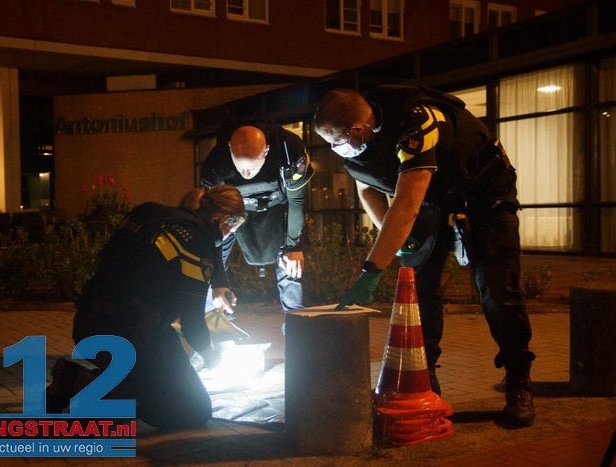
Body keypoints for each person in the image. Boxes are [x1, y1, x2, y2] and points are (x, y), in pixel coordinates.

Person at [313, 87, 535, 427]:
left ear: (357, 128)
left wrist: (372, 270)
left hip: (483, 193)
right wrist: (398, 239)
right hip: (434, 198)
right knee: (419, 291)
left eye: (336, 141)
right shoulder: (361, 145)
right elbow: (368, 188)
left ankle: (519, 379)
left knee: (497, 290)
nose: (335, 149)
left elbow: (406, 204)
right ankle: (424, 379)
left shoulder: (417, 125)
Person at [46, 185, 246, 430]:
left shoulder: (152, 215)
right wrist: (211, 355)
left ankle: (78, 379)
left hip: (89, 325)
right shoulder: (195, 240)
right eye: (232, 229)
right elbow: (192, 322)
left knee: (149, 384)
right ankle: (81, 384)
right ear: (225, 219)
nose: (228, 236)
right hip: (137, 334)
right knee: (192, 410)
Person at [200, 124, 314, 317]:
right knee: (210, 261)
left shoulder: (290, 153)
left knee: (291, 262)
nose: (246, 174)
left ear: (266, 151)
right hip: (234, 209)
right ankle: (216, 318)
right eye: (241, 167)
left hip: (279, 205)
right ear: (229, 147)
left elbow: (297, 202)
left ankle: (295, 323)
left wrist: (293, 246)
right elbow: (214, 226)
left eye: (251, 166)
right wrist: (217, 280)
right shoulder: (214, 167)